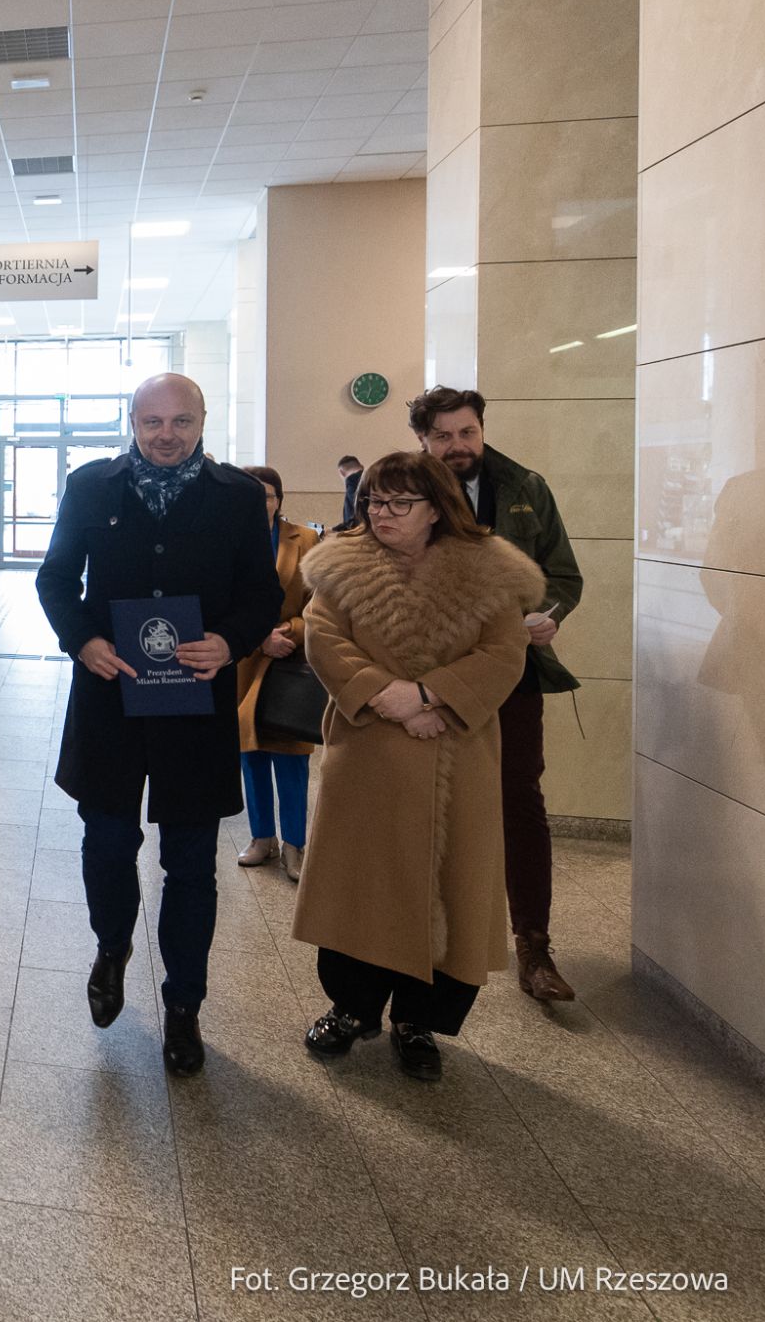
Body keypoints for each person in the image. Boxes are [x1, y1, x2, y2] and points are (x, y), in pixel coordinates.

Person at [35, 373, 282, 1078]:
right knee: (107, 840)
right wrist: (82, 639)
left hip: (195, 705)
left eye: (180, 420)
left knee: (190, 864)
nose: (166, 434)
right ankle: (112, 946)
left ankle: (184, 1006)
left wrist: (230, 640)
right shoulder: (90, 487)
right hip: (110, 697)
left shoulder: (236, 496)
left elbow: (261, 593)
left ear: (203, 420)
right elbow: (56, 580)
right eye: (151, 421)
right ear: (132, 422)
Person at [294, 452, 545, 1080]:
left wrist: (433, 697)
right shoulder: (338, 568)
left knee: (452, 886)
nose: (383, 514)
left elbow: (504, 650)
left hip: (457, 752)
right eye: (375, 501)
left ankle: (419, 1020)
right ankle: (351, 1008)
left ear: (437, 506)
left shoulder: (489, 571)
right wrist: (391, 697)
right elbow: (323, 638)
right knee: (359, 882)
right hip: (368, 752)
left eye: (399, 503)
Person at [409, 386, 584, 1002]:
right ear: (422, 440)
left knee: (518, 797)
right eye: (443, 436)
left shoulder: (525, 488)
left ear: (481, 430)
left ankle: (533, 948)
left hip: (512, 674)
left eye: (467, 433)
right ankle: (417, 942)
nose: (458, 447)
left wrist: (544, 615)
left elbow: (562, 576)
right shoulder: (401, 489)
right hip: (426, 676)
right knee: (425, 799)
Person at [235, 466, 319, 879]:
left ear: (279, 498)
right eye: (251, 494)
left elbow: (320, 603)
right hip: (244, 660)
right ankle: (261, 838)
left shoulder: (305, 539)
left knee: (291, 757)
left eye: (267, 495)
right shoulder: (226, 538)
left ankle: (295, 846)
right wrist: (256, 637)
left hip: (289, 659)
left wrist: (290, 631)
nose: (260, 502)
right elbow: (221, 603)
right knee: (251, 755)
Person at [337, 454, 364, 529]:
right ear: (362, 466)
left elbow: (352, 519)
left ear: (341, 472)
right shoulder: (372, 480)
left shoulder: (352, 482)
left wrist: (334, 530)